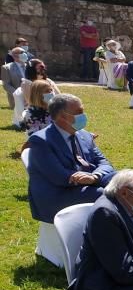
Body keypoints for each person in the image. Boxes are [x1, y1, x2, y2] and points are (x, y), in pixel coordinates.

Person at [26, 94, 115, 223]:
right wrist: (89, 179)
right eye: (79, 112)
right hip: (57, 196)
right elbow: (60, 177)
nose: (83, 116)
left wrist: (95, 177)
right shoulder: (40, 141)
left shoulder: (84, 135)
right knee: (104, 194)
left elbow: (104, 162)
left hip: (86, 184)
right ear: (62, 116)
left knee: (126, 182)